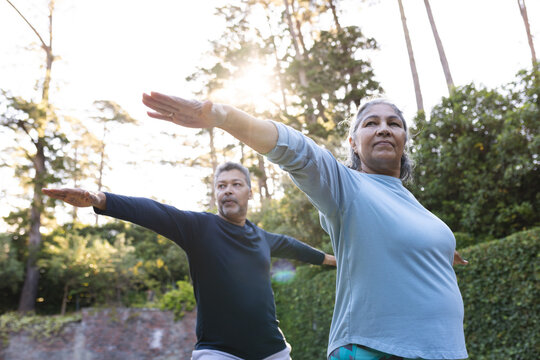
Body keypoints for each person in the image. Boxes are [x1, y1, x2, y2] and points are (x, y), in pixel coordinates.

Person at [141, 92, 469, 360]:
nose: (384, 128)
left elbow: (408, 242)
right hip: (375, 349)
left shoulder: (418, 209)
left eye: (393, 123)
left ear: (403, 139)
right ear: (353, 142)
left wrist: (439, 248)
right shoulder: (348, 187)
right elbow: (297, 151)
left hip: (447, 351)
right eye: (371, 123)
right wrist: (224, 117)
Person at [43, 161, 336, 360]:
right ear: (215, 193)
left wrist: (336, 261)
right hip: (219, 352)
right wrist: (100, 199)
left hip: (272, 350)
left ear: (249, 191)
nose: (228, 190)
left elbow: (297, 248)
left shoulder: (261, 237)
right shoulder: (198, 228)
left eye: (235, 184)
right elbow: (152, 210)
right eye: (221, 186)